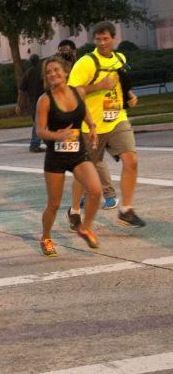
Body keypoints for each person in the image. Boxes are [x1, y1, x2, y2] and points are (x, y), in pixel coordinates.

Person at [67, 21, 144, 228]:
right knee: (84, 173)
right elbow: (71, 92)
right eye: (98, 39)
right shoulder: (86, 63)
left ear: (113, 38)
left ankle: (126, 210)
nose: (102, 43)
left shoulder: (120, 58)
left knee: (132, 161)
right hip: (91, 125)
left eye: (105, 38)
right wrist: (98, 86)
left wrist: (128, 94)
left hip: (117, 119)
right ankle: (74, 210)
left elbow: (121, 82)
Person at [36, 56, 102, 256]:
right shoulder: (45, 100)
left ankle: (85, 227)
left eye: (56, 70)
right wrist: (57, 135)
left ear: (66, 72)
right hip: (56, 157)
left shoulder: (78, 91)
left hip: (78, 153)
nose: (53, 74)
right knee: (54, 204)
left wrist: (91, 126)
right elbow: (40, 131)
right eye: (49, 72)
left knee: (96, 190)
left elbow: (84, 111)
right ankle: (46, 237)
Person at [17, 54, 45, 152]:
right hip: (44, 99)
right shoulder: (43, 72)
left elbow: (22, 91)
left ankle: (44, 142)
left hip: (33, 101)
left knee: (39, 122)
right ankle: (35, 144)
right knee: (41, 122)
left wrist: (19, 105)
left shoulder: (28, 73)